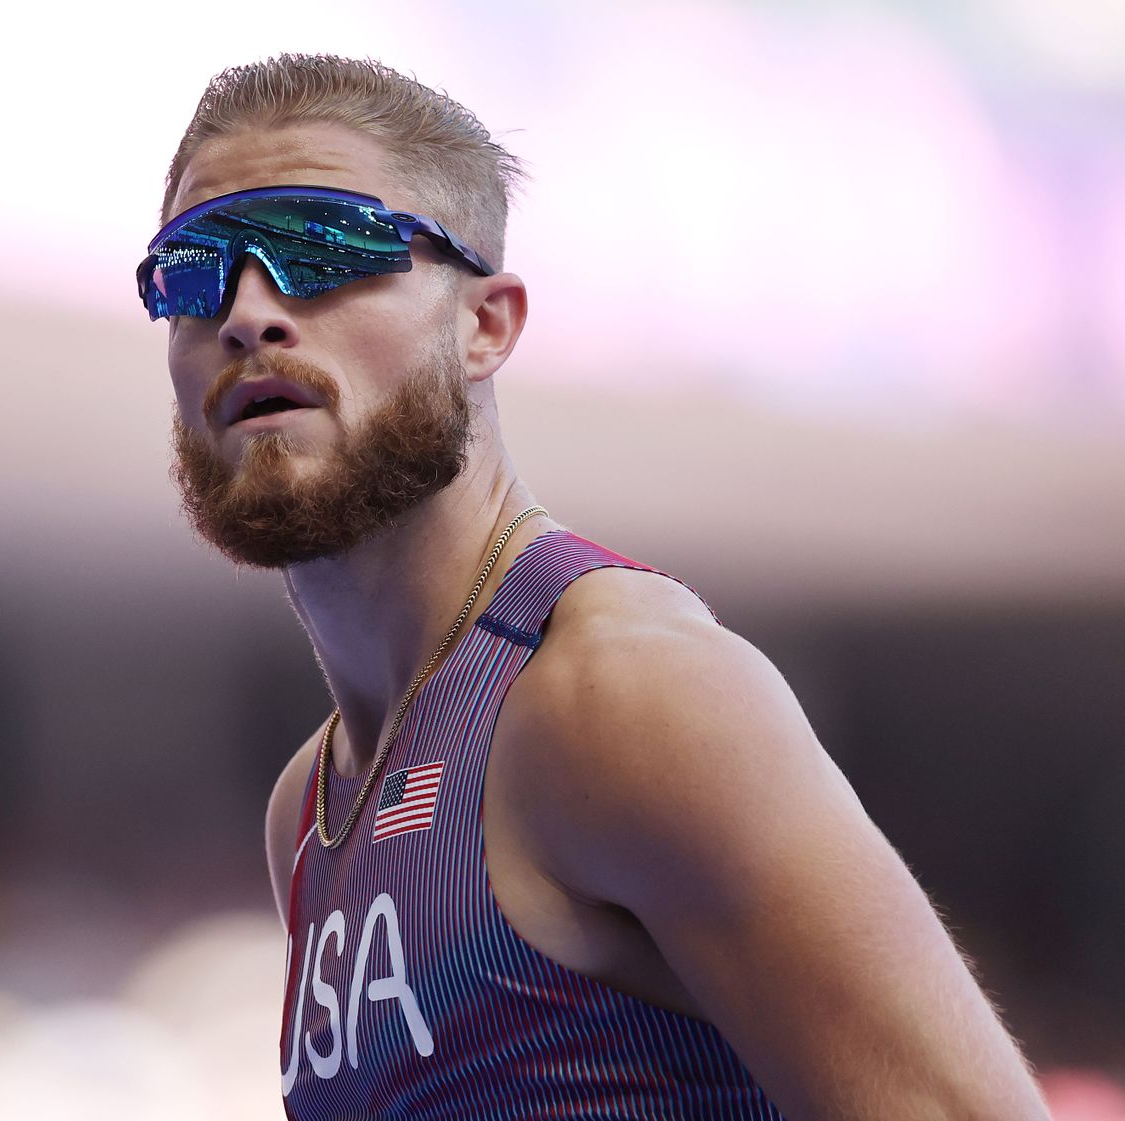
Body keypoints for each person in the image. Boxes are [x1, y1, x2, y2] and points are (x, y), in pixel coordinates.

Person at [141, 52, 1052, 1121]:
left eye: (321, 246)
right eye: (196, 269)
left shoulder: (621, 694)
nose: (249, 313)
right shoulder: (309, 805)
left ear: (486, 323)